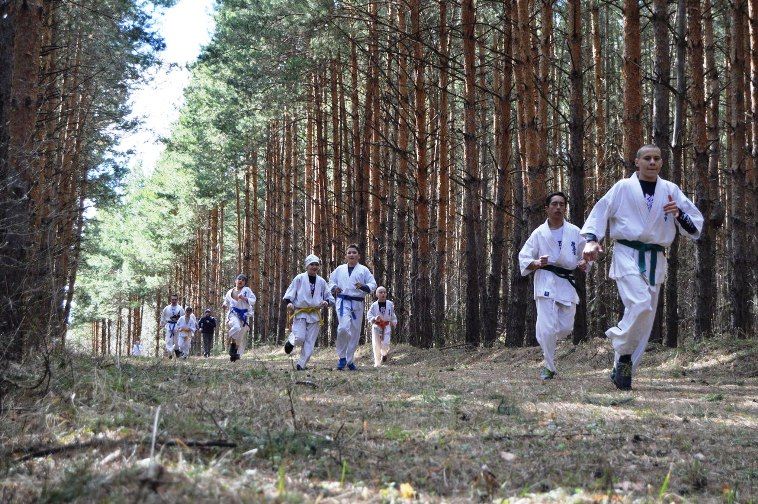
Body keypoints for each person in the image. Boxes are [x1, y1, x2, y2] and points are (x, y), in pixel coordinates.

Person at [582, 145, 703, 390]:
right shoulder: (623, 188)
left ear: (661, 162)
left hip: (656, 257)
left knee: (645, 317)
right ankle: (619, 342)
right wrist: (592, 240)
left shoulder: (670, 190)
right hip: (627, 253)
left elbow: (695, 227)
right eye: (647, 158)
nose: (652, 162)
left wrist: (678, 214)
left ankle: (624, 367)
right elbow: (600, 212)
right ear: (637, 162)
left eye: (656, 158)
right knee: (639, 304)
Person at [519, 192, 588, 380]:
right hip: (546, 279)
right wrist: (535, 263)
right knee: (548, 328)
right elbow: (524, 256)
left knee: (565, 328)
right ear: (547, 208)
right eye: (554, 204)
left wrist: (584, 262)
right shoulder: (539, 233)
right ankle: (549, 367)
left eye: (562, 204)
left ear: (565, 208)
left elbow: (586, 253)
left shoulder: (575, 231)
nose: (558, 207)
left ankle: (544, 334)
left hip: (566, 281)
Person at [328, 244, 377, 370]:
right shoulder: (339, 269)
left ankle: (349, 360)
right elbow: (331, 281)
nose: (351, 254)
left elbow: (373, 285)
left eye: (354, 252)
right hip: (343, 301)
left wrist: (363, 286)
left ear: (359, 256)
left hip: (357, 303)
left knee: (355, 332)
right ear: (346, 256)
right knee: (343, 328)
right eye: (349, 252)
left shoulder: (363, 270)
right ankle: (342, 357)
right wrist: (335, 288)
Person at [282, 255, 335, 370]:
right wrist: (289, 303)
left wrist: (326, 302)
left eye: (316, 264)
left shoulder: (321, 281)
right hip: (301, 312)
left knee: (310, 343)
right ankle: (291, 340)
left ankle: (301, 364)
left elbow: (329, 297)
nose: (314, 267)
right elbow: (289, 293)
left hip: (315, 314)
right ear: (307, 266)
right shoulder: (299, 278)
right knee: (299, 338)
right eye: (312, 264)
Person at [223, 274, 256, 362]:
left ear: (244, 283)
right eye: (239, 279)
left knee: (240, 336)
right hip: (233, 313)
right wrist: (225, 305)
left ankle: (234, 353)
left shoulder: (247, 290)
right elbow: (226, 301)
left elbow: (253, 300)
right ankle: (230, 340)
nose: (241, 280)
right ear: (236, 281)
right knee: (236, 327)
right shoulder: (230, 291)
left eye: (243, 280)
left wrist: (244, 298)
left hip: (244, 315)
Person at [367, 286, 398, 367]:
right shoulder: (374, 305)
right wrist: (374, 318)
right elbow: (369, 315)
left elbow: (392, 314)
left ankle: (384, 354)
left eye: (384, 292)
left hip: (386, 326)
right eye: (380, 292)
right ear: (377, 294)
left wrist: (394, 321)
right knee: (376, 345)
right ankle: (377, 363)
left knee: (386, 343)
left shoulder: (390, 304)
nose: (383, 294)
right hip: (376, 326)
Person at [160, 294, 185, 359]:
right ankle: (170, 354)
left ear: (177, 300)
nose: (174, 301)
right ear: (170, 300)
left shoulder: (180, 308)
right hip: (169, 326)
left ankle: (177, 351)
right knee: (169, 340)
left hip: (177, 326)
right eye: (172, 299)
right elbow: (163, 316)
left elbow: (183, 318)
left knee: (177, 340)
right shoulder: (167, 308)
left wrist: (183, 326)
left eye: (175, 299)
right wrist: (162, 323)